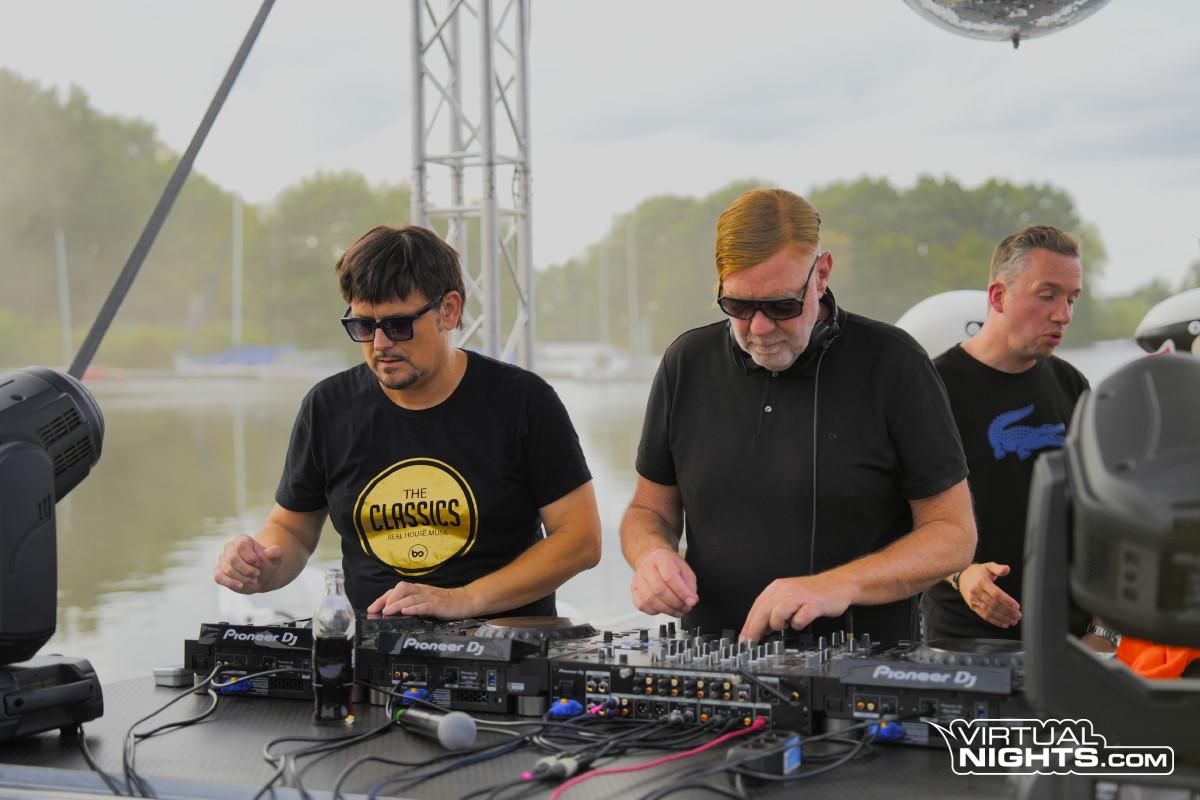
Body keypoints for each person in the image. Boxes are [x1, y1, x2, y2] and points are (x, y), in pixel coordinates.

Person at [619, 188, 976, 644]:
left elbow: (953, 534)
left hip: (862, 665)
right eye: (738, 306)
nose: (760, 328)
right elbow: (648, 509)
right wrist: (651, 555)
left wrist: (838, 585)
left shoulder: (895, 364)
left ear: (821, 275)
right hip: (712, 660)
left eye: (782, 306)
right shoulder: (685, 362)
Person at [213, 225, 601, 618]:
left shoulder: (523, 401)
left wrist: (465, 599)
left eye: (398, 325)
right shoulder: (327, 406)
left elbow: (581, 539)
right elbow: (293, 530)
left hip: (506, 643)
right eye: (364, 326)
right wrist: (262, 564)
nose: (380, 344)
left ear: (448, 311)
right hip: (374, 646)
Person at [920, 225, 1093, 643]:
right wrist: (961, 574)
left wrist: (1103, 632)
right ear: (998, 296)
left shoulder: (1072, 385)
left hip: (1070, 641)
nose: (1063, 315)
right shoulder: (931, 389)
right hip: (965, 641)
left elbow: (1102, 517)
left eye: (1072, 299)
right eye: (1047, 295)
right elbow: (895, 518)